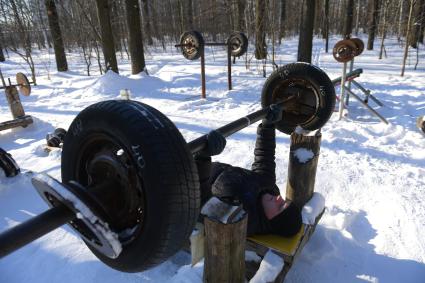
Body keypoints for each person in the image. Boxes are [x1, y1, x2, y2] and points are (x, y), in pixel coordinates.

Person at [195, 113, 302, 237]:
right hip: (197, 167)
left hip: (181, 187)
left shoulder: (239, 217)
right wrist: (267, 126)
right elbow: (264, 158)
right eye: (284, 201)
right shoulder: (269, 189)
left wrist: (201, 158)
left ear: (271, 221)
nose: (278, 198)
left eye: (280, 207)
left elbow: (202, 201)